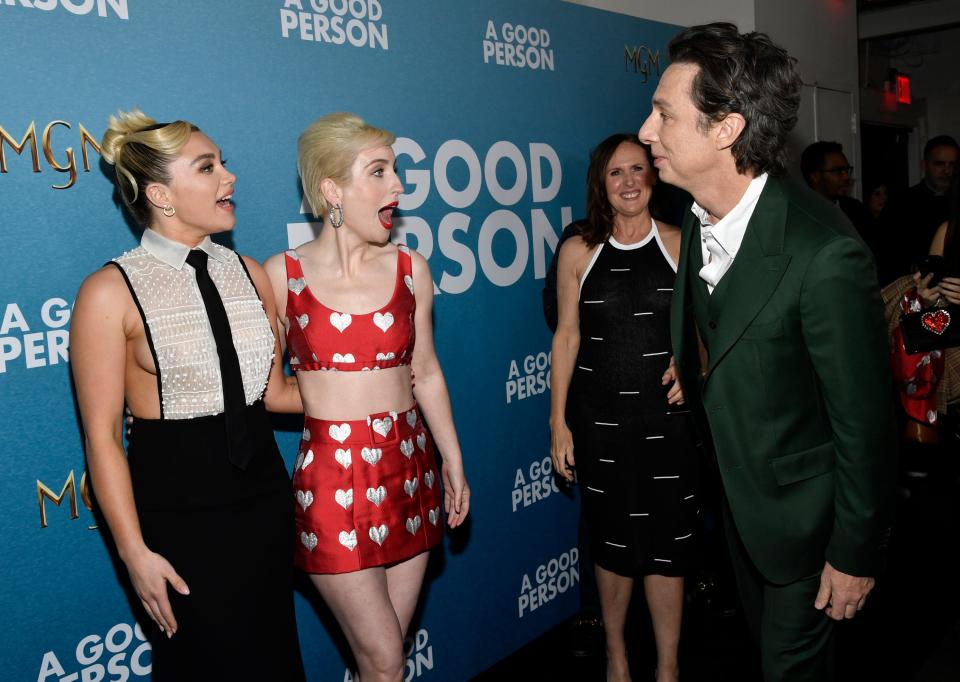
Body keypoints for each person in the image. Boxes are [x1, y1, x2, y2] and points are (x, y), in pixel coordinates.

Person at [639, 23, 897, 681]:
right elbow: (734, 328)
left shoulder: (825, 254)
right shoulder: (702, 219)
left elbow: (865, 426)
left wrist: (854, 555)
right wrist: (695, 368)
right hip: (741, 515)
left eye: (664, 114)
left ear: (724, 129)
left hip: (809, 532)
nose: (646, 131)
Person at [70, 110, 305, 680]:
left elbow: (275, 393)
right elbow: (102, 440)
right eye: (208, 167)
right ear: (161, 195)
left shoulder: (250, 272)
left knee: (275, 659)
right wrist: (134, 553)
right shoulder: (109, 292)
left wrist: (371, 383)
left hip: (265, 498)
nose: (230, 178)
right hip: (179, 515)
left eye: (224, 163)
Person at [264, 112, 470, 682]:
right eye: (378, 171)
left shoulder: (411, 268)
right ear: (331, 189)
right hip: (331, 478)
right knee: (383, 659)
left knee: (383, 660)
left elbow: (425, 372)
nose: (398, 185)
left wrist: (451, 459)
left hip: (411, 471)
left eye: (395, 170)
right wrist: (339, 402)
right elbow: (264, 392)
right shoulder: (282, 276)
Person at [550, 132, 696, 682]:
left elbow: (709, 326)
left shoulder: (683, 242)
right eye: (616, 173)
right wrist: (557, 421)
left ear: (654, 176)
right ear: (600, 184)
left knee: (668, 545)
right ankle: (616, 658)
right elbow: (565, 337)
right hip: (600, 424)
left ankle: (668, 667)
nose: (629, 181)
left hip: (669, 423)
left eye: (638, 169)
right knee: (612, 544)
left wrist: (692, 363)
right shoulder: (577, 250)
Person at [882, 135, 959, 281]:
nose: (947, 170)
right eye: (939, 164)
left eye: (952, 165)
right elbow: (887, 254)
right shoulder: (901, 203)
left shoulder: (956, 203)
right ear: (924, 165)